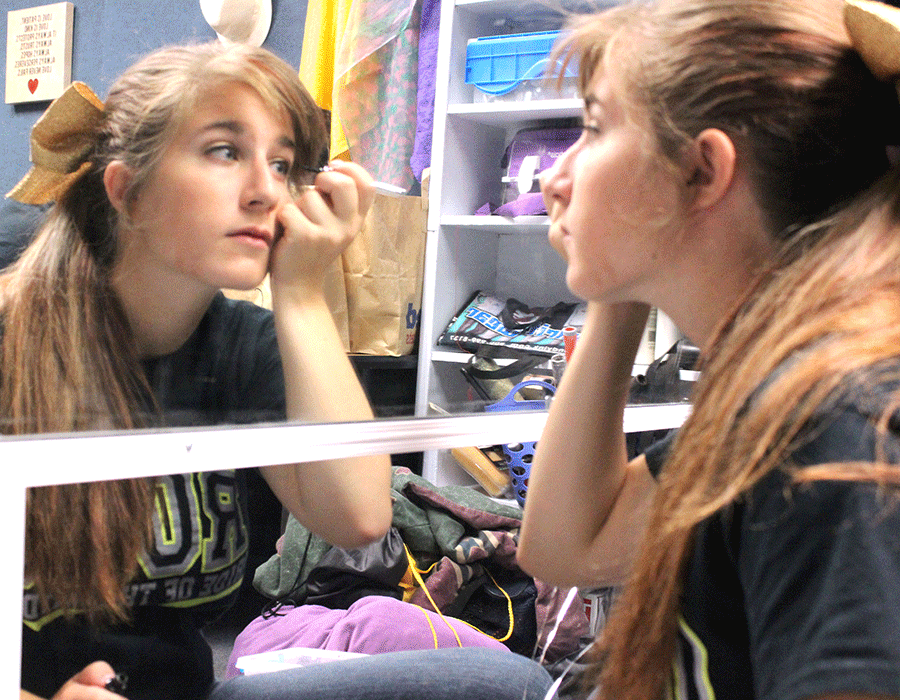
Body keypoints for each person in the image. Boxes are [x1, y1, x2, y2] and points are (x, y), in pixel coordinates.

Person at [5, 40, 555, 700]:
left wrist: (301, 290)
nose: (267, 190)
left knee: (505, 686)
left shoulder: (241, 344)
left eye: (282, 162)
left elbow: (357, 516)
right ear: (127, 190)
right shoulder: (16, 338)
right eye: (224, 151)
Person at [516, 1, 900, 699]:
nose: (554, 178)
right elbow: (566, 545)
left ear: (702, 171)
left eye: (595, 129)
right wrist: (616, 278)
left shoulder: (827, 429)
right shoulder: (770, 392)